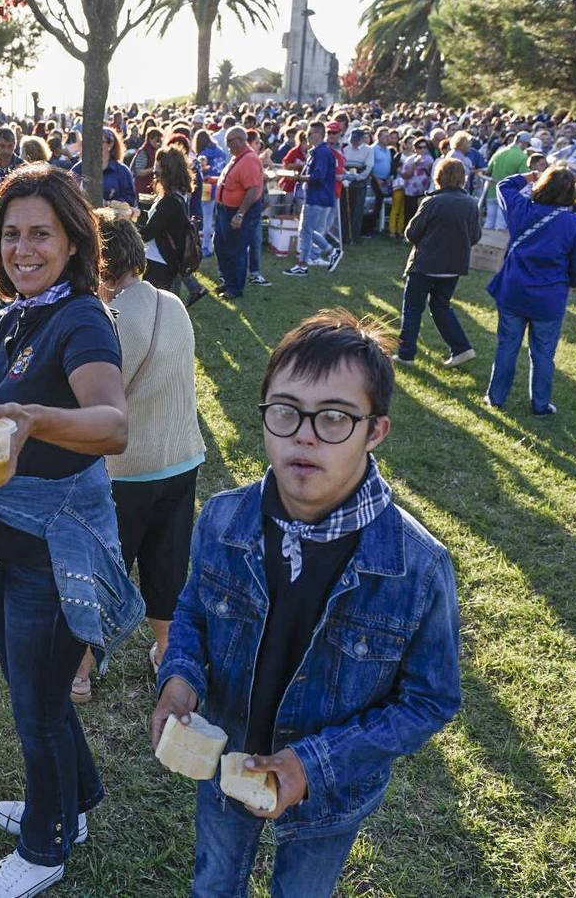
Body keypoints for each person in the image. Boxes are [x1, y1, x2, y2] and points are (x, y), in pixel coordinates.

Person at [152, 310, 461, 898]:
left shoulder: (418, 566)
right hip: (228, 760)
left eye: (336, 418)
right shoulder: (223, 519)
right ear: (265, 415)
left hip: (332, 791)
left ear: (375, 431)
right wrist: (180, 676)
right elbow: (193, 609)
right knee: (215, 881)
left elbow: (430, 699)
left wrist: (314, 765)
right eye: (287, 411)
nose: (305, 434)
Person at [0, 165, 142, 898]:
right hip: (2, 536)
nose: (22, 247)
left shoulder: (81, 319)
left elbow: (112, 425)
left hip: (54, 548)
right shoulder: (22, 312)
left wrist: (38, 422)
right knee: (29, 686)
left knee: (37, 707)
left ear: (75, 241)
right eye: (10, 234)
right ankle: (76, 804)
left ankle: (45, 849)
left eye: (40, 233)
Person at [71, 209, 203, 703]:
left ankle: (81, 668)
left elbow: (97, 403)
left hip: (127, 470)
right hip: (183, 458)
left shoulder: (110, 320)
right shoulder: (173, 303)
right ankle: (168, 654)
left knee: (104, 567)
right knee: (167, 564)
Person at [485, 168, 576, 415]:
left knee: (507, 347)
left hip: (514, 290)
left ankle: (496, 398)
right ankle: (540, 404)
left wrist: (528, 177)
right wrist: (573, 282)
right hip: (550, 297)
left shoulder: (522, 210)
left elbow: (503, 186)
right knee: (543, 353)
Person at [394, 158, 482, 367]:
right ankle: (461, 347)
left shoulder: (432, 202)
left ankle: (406, 354)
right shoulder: (470, 203)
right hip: (452, 266)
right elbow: (475, 236)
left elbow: (411, 232)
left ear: (439, 177)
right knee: (441, 306)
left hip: (426, 263)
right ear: (463, 179)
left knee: (413, 308)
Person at [212, 125, 267, 297]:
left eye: (230, 142)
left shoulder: (249, 159)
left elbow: (252, 190)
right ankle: (229, 282)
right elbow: (232, 181)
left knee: (236, 250)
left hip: (237, 212)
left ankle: (235, 288)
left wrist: (240, 214)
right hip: (226, 210)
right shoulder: (238, 157)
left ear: (241, 140)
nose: (228, 146)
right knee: (221, 245)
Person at [139, 144, 198, 296]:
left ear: (168, 173)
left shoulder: (169, 201)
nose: (155, 176)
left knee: (159, 311)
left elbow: (148, 233)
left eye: (158, 173)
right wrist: (138, 214)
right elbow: (160, 222)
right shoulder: (180, 195)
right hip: (168, 261)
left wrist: (126, 222)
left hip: (160, 263)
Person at [286, 122, 342, 277]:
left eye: (310, 134)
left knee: (306, 230)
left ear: (318, 134)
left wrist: (299, 177)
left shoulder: (322, 152)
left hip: (317, 196)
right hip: (316, 196)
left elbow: (318, 176)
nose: (307, 137)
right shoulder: (318, 151)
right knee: (307, 230)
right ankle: (307, 263)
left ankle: (327, 253)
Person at [71, 128, 136, 207]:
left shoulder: (122, 171)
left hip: (114, 218)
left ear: (110, 144)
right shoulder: (79, 168)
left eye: (100, 142)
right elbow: (67, 194)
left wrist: (109, 203)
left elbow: (130, 199)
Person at [482, 133, 530, 230]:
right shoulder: (523, 157)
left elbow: (488, 171)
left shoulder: (499, 152)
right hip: (507, 195)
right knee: (500, 227)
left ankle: (483, 245)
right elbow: (524, 177)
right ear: (524, 143)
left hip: (492, 192)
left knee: (488, 224)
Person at [0, 126, 26, 198]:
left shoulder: (23, 167)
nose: (6, 150)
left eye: (10, 146)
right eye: (2, 146)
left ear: (15, 145)